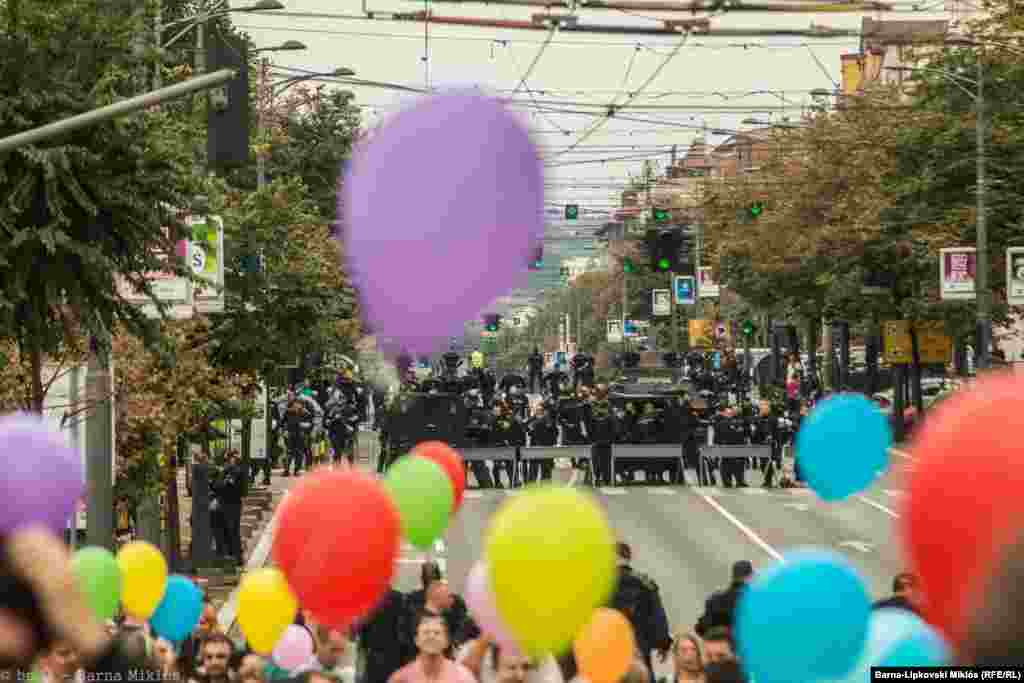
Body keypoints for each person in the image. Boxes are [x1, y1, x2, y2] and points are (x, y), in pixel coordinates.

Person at [608, 542, 671, 682]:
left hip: (608, 649)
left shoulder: (602, 584)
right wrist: (663, 643)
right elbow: (658, 617)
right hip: (639, 649)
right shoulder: (645, 583)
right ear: (628, 558)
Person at [388, 614, 475, 683]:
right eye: (426, 632)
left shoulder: (463, 677)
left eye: (437, 633)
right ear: (416, 641)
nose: (431, 637)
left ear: (447, 642)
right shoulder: (401, 678)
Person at [696, 562, 753, 637]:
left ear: (733, 576)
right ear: (749, 577)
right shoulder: (754, 604)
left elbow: (701, 628)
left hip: (720, 645)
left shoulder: (715, 600)